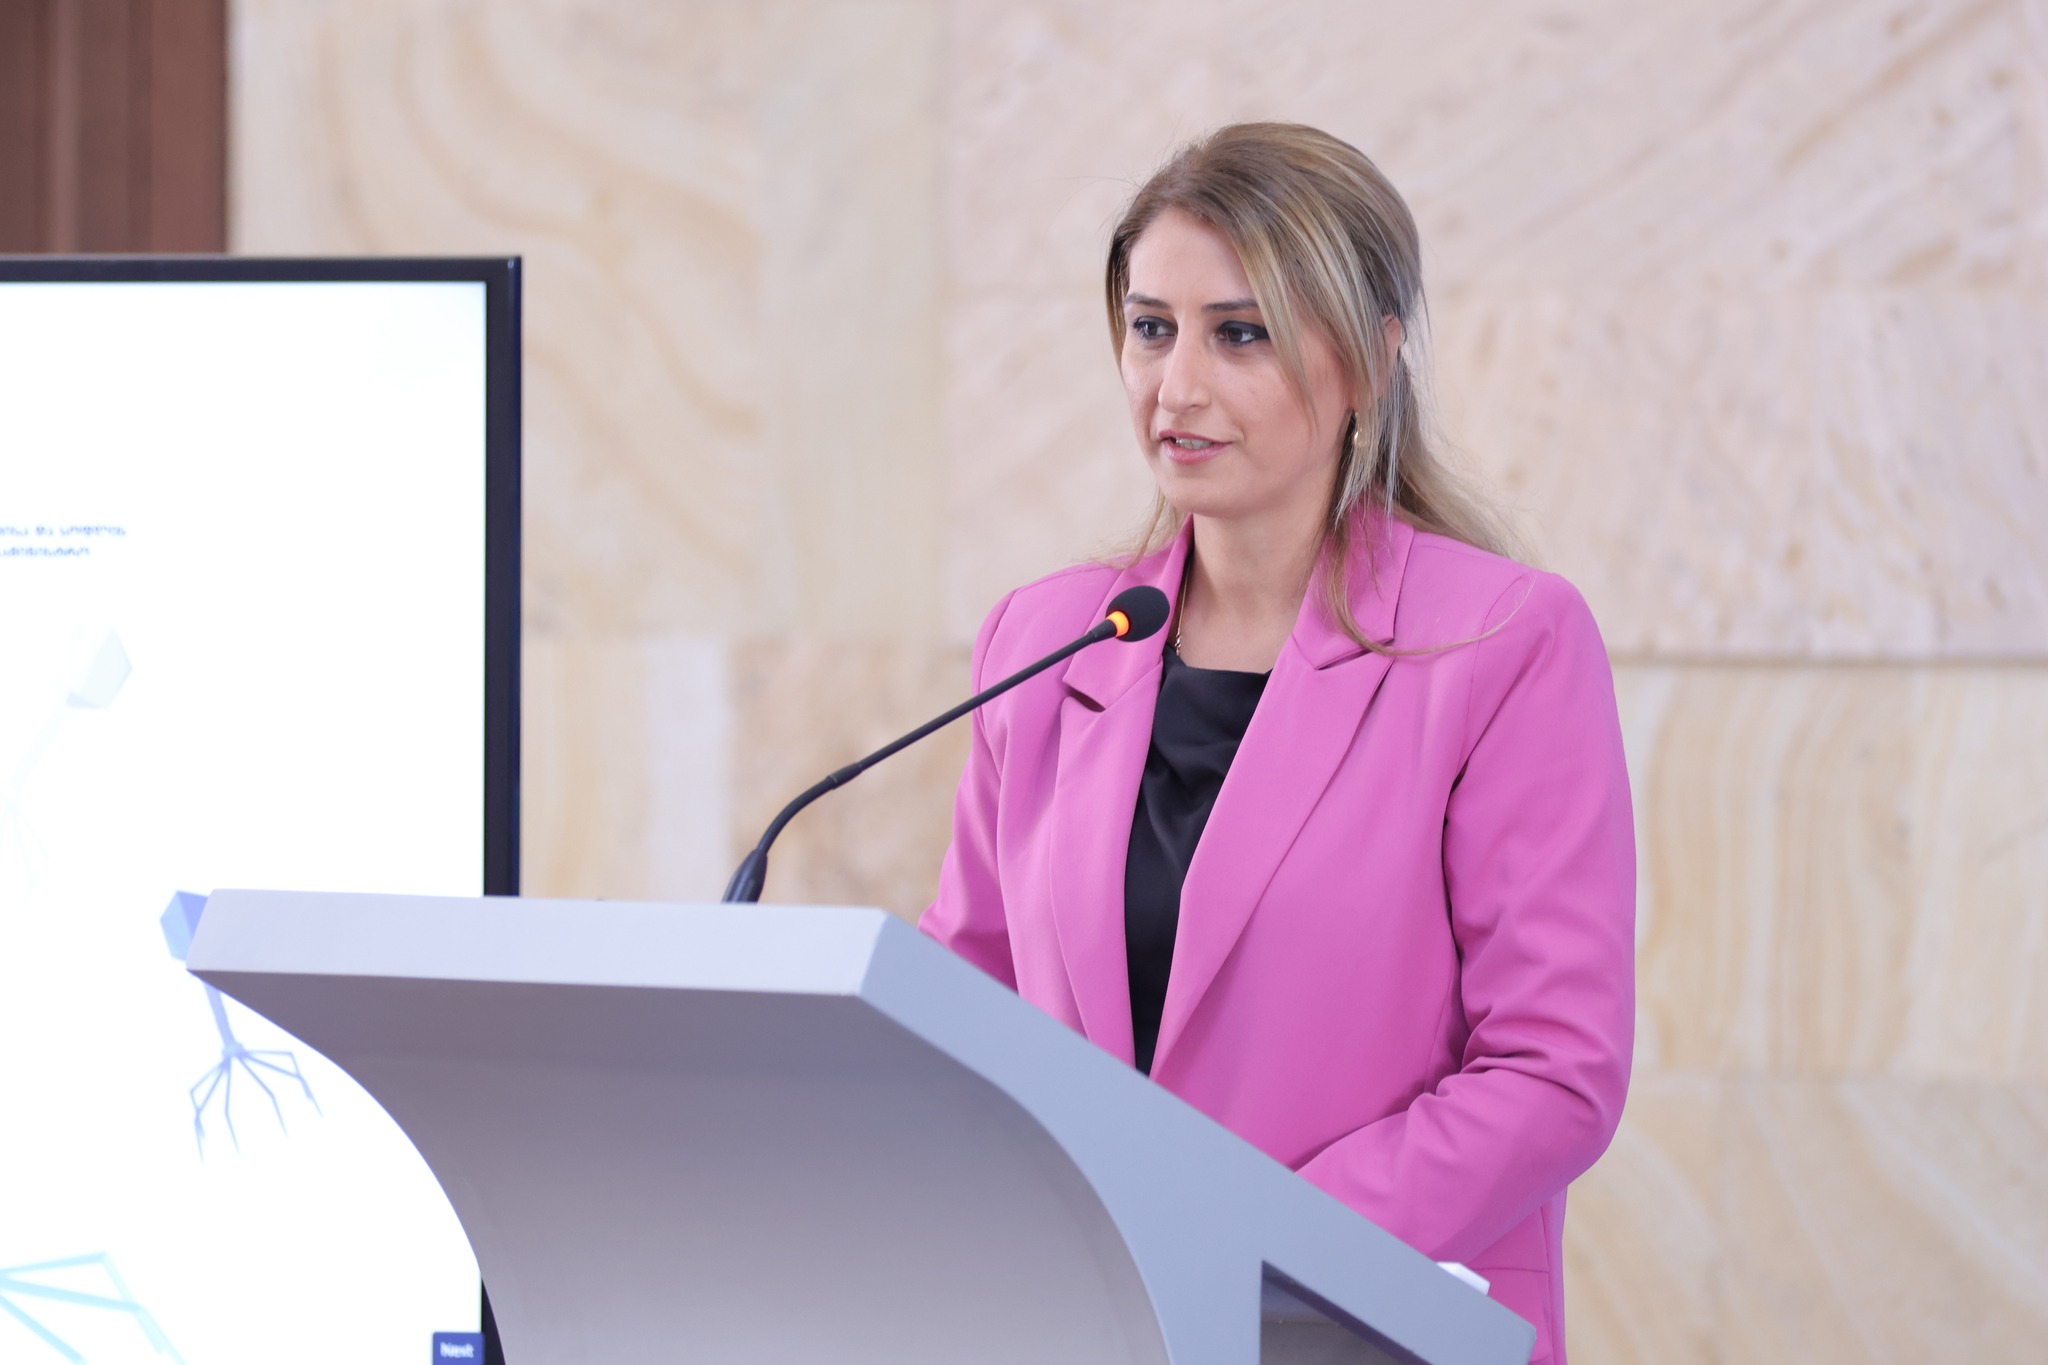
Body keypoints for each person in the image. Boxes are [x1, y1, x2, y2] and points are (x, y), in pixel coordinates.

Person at [919, 122, 1634, 1365]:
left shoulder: (1501, 643)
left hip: (1363, 1324)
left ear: (1368, 361)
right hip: (1089, 1328)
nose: (1176, 387)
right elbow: (961, 1006)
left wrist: (1248, 1244)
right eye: (1150, 328)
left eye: (1237, 334)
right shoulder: (1044, 641)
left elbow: (1550, 1071)